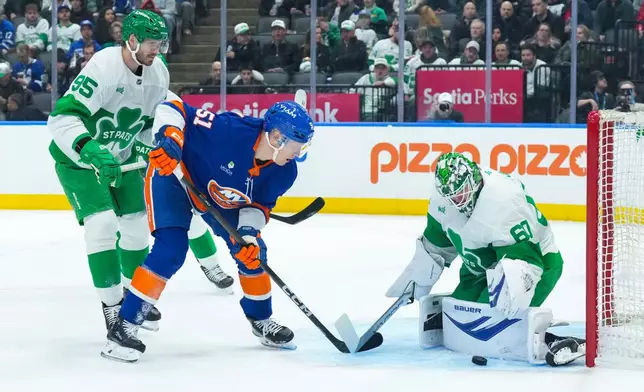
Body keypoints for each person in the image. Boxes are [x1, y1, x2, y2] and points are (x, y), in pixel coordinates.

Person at [101, 97, 314, 363]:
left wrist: (248, 234)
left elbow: (259, 206)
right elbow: (173, 107)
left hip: (216, 196)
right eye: (298, 145)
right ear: (277, 136)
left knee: (253, 253)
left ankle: (261, 320)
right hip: (175, 176)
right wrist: (170, 140)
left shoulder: (285, 172)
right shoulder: (229, 130)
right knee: (171, 250)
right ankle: (123, 327)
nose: (300, 152)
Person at [385, 152, 585, 367]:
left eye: (461, 193)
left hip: (533, 262)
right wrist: (420, 276)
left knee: (489, 324)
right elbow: (437, 243)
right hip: (478, 266)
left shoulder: (504, 200)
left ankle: (549, 340)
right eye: (450, 196)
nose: (456, 201)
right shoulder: (443, 196)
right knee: (459, 320)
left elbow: (527, 260)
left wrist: (509, 297)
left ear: (474, 181)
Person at [47, 10, 170, 336]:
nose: (156, 49)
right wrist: (91, 150)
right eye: (150, 43)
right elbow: (60, 120)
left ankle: (134, 294)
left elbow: (145, 128)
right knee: (101, 224)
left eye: (160, 43)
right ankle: (112, 307)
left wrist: (151, 149)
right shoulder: (103, 67)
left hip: (124, 159)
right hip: (80, 159)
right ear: (131, 40)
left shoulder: (159, 73)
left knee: (136, 225)